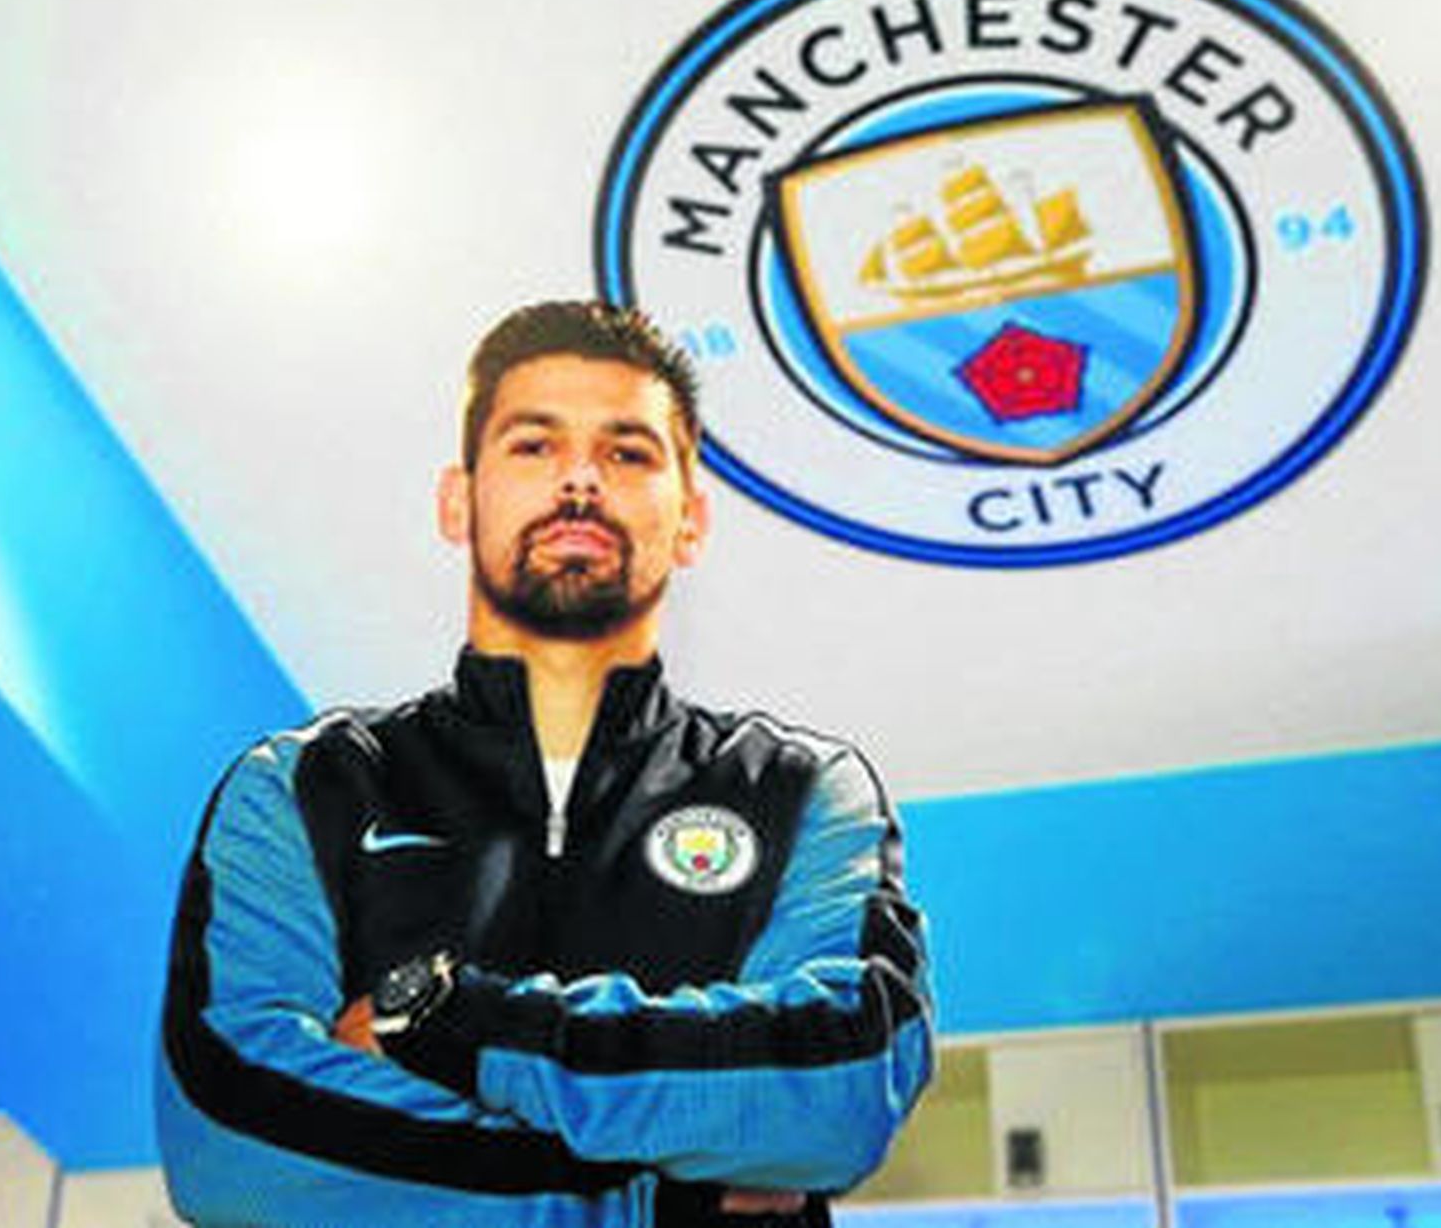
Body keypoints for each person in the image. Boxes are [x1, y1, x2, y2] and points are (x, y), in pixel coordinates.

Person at [157, 301, 934, 1227]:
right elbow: (233, 1132)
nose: (579, 478)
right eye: (534, 445)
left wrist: (449, 1024)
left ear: (691, 520)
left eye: (628, 453)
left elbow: (844, 1087)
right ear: (458, 501)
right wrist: (657, 1203)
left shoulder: (802, 790)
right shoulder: (305, 786)